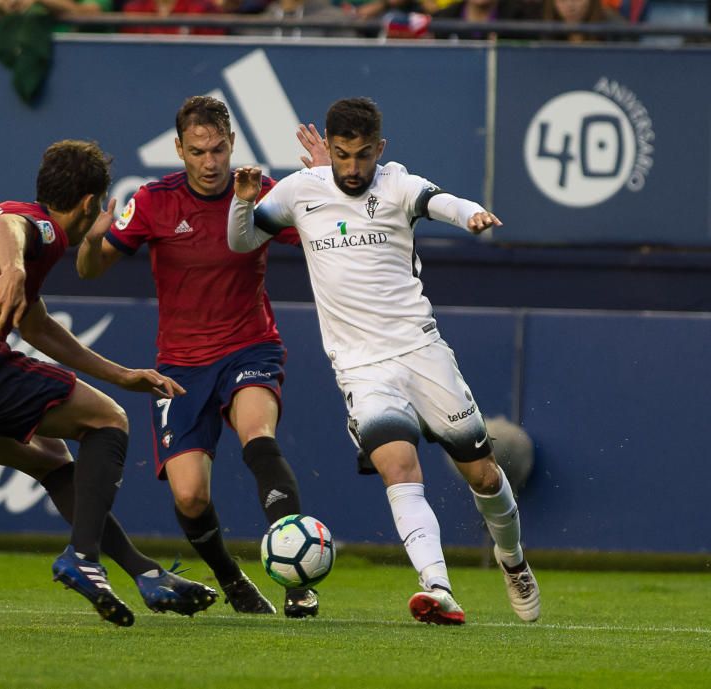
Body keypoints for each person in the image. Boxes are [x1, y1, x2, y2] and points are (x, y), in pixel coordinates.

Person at [227, 97, 541, 626]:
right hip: (361, 367)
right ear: (327, 146)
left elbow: (439, 200)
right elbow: (241, 242)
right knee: (398, 466)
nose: (353, 168)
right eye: (343, 155)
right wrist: (241, 201)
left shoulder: (395, 182)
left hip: (421, 351)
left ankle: (513, 562)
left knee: (484, 476)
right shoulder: (301, 192)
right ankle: (438, 588)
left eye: (363, 156)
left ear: (381, 148)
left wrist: (471, 215)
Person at [0, 139, 218, 628]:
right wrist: (15, 266)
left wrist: (122, 374)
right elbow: (11, 227)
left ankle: (142, 572)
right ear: (88, 204)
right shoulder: (32, 224)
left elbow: (38, 329)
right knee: (109, 421)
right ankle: (83, 557)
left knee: (54, 461)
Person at [76, 96, 329, 618]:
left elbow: (326, 235)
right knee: (189, 497)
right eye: (198, 152)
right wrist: (89, 242)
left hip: (250, 346)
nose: (210, 162)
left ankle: (298, 584)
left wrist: (326, 186)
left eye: (218, 149)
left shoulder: (261, 194)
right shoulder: (150, 201)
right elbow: (90, 270)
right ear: (179, 150)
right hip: (181, 365)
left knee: (258, 436)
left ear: (232, 144)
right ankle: (232, 580)